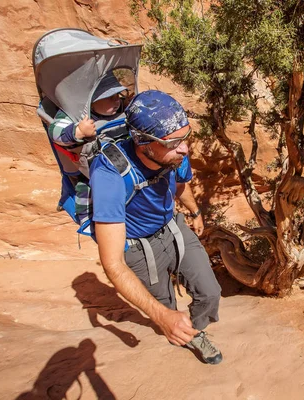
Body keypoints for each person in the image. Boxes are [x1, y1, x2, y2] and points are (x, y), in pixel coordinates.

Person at [89, 90, 223, 365]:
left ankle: (193, 330)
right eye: (175, 143)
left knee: (210, 292)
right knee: (164, 306)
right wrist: (162, 317)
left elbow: (180, 183)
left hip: (173, 227)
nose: (184, 149)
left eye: (186, 138)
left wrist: (195, 212)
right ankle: (183, 333)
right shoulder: (109, 175)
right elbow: (112, 263)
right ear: (143, 142)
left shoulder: (173, 151)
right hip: (139, 249)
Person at [48, 72, 128, 224]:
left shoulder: (121, 109)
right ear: (90, 101)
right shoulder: (76, 114)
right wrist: (78, 131)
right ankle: (87, 219)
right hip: (92, 166)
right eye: (110, 97)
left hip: (120, 159)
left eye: (118, 95)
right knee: (86, 187)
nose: (117, 100)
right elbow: (55, 131)